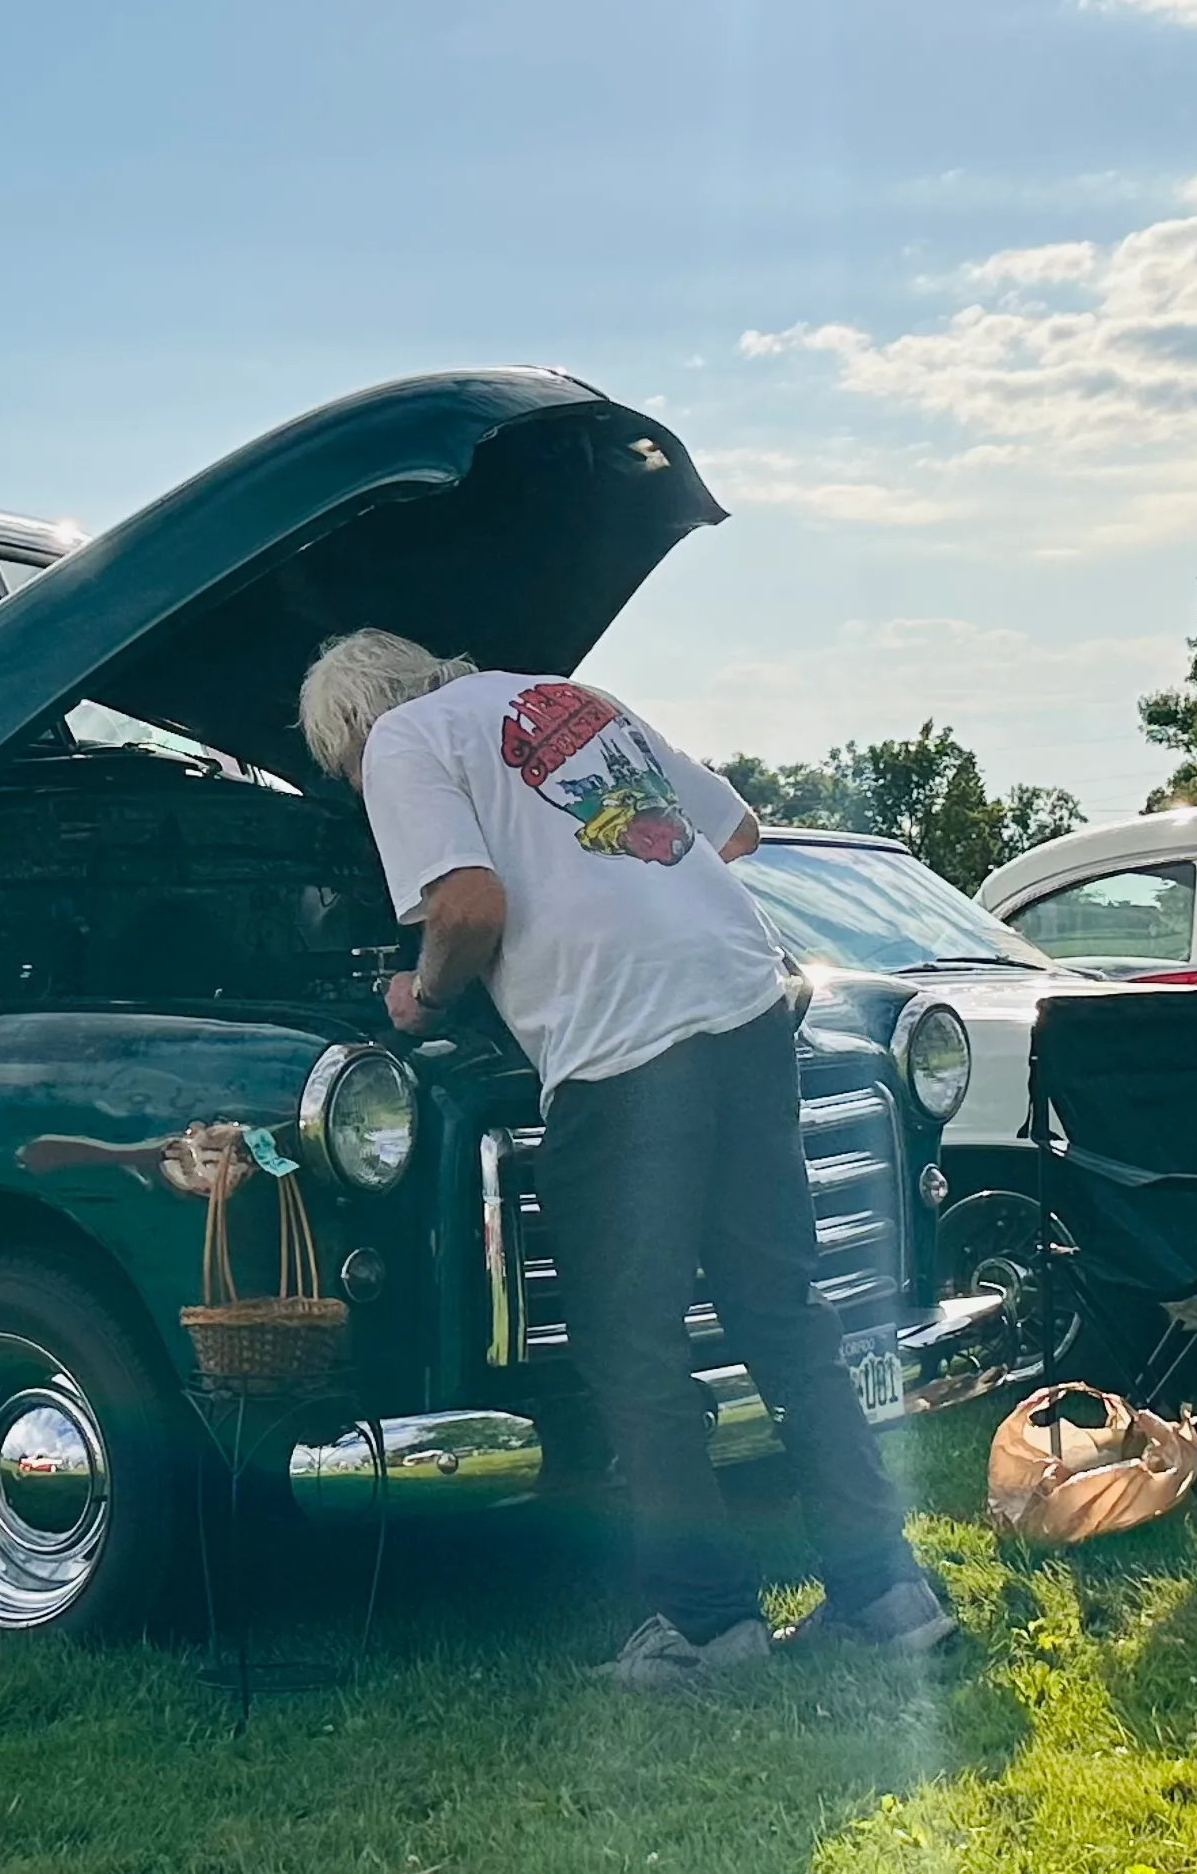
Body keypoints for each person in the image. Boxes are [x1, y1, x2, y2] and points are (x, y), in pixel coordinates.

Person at [295, 630, 950, 1689]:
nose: (352, 783)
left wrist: (425, 995)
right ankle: (887, 1593)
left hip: (619, 1039)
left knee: (631, 1339)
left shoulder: (403, 740)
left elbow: (467, 906)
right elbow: (735, 828)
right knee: (781, 1311)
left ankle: (706, 1625)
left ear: (349, 726)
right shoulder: (569, 697)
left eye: (340, 769)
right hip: (743, 999)